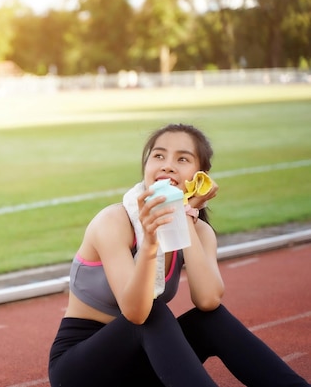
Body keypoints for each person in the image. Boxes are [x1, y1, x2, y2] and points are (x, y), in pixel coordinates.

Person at [48, 123, 310, 386]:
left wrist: (184, 219)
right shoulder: (113, 222)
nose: (167, 165)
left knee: (211, 320)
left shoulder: (201, 232)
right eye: (158, 156)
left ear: (199, 176)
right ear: (146, 166)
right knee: (153, 311)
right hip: (82, 370)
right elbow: (136, 314)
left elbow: (208, 300)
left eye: (182, 159)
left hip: (143, 365)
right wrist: (150, 244)